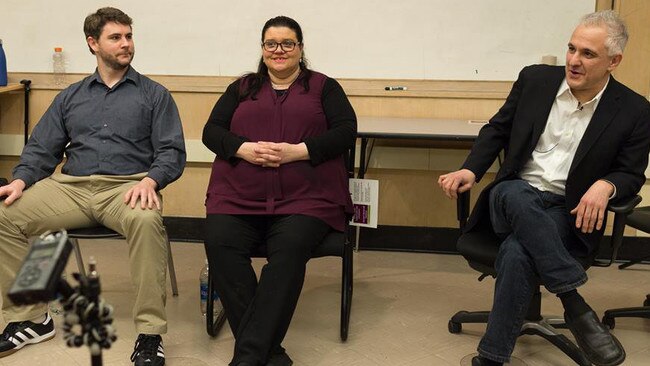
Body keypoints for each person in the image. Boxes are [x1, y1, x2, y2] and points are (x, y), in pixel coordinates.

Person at [439, 10, 650, 366]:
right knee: (516, 194)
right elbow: (498, 129)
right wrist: (471, 169)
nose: (574, 60)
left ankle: (490, 359)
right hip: (512, 196)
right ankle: (573, 300)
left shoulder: (635, 110)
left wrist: (606, 185)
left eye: (587, 54)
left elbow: (631, 173)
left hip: (567, 212)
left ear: (614, 61)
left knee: (520, 251)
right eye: (571, 49)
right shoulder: (535, 80)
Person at [0, 7, 185, 366]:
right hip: (71, 187)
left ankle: (150, 334)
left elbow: (171, 151)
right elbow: (42, 148)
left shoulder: (154, 95)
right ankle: (32, 318)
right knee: (4, 215)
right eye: (116, 37)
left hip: (128, 186)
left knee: (147, 223)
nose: (126, 44)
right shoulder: (70, 97)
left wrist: (152, 180)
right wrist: (21, 180)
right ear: (93, 43)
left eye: (129, 36)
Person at [202, 15, 356, 366]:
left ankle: (249, 358)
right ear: (262, 49)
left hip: (307, 199)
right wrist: (242, 148)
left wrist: (296, 151)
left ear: (301, 49)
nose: (279, 50)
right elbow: (212, 131)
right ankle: (269, 354)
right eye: (271, 44)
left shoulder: (324, 87)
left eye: (288, 43)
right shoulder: (242, 87)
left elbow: (346, 131)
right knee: (218, 240)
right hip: (239, 195)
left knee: (288, 252)